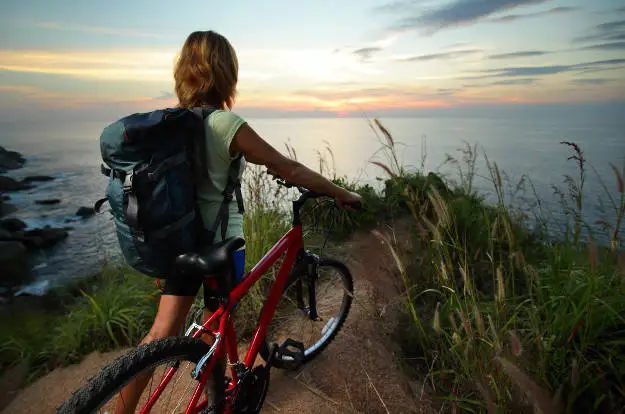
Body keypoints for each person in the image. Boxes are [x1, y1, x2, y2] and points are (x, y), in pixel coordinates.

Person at [115, 30, 362, 413]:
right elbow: (287, 167)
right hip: (219, 246)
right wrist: (341, 193)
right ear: (226, 73)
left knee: (161, 334)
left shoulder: (173, 123)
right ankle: (223, 396)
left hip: (177, 241)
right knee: (216, 332)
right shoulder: (225, 125)